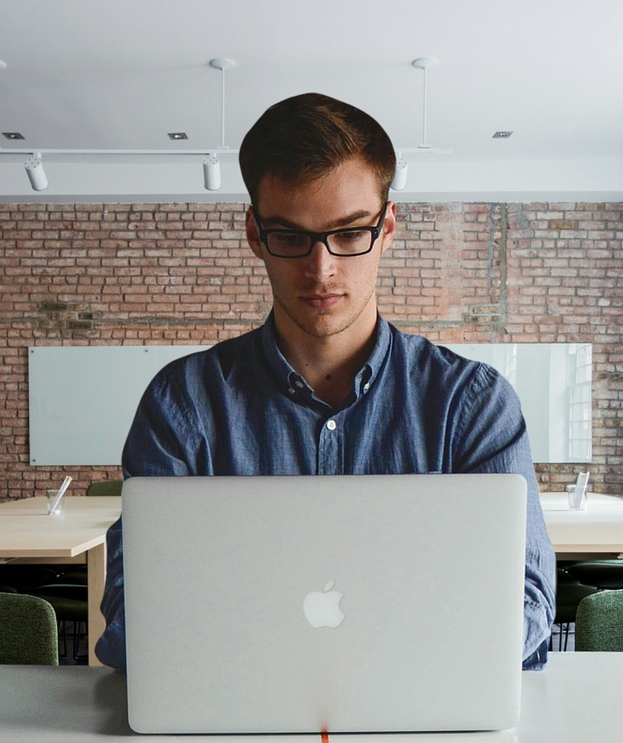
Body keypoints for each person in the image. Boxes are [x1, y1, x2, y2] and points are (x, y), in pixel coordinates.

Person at [96, 92, 555, 670]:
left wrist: (329, 657)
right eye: (290, 237)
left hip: (421, 714)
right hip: (234, 719)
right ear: (255, 235)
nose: (321, 269)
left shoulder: (472, 404)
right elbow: (136, 614)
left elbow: (525, 603)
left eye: (349, 232)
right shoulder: (182, 403)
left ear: (386, 227)